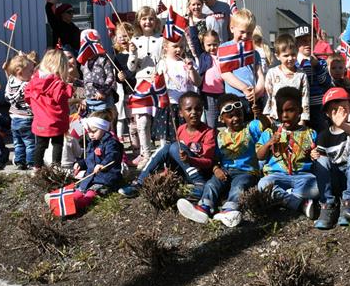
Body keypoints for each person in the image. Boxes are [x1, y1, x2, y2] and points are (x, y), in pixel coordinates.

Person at [176, 93, 266, 227]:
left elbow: (266, 125)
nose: (235, 118)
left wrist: (260, 115)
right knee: (211, 184)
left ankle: (230, 210)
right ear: (222, 119)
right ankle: (204, 208)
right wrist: (216, 169)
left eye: (238, 114)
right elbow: (214, 159)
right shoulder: (220, 136)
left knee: (238, 187)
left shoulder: (250, 128)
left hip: (246, 172)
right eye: (230, 116)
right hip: (225, 171)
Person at [120, 92, 215, 199]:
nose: (193, 112)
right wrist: (166, 172)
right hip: (183, 173)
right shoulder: (181, 129)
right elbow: (174, 157)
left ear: (202, 110)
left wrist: (190, 160)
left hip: (199, 173)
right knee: (166, 148)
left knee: (174, 147)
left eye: (198, 109)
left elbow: (209, 162)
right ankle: (139, 183)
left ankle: (200, 184)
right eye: (188, 109)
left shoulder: (208, 132)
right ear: (180, 113)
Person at [256, 87, 319, 219]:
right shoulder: (270, 132)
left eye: (290, 110)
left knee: (317, 188)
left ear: (300, 111)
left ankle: (284, 198)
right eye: (281, 111)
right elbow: (259, 155)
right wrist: (269, 144)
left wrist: (315, 154)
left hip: (303, 177)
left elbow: (317, 154)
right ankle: (299, 203)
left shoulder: (310, 133)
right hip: (276, 176)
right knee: (263, 185)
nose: (285, 115)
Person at [311, 88, 350, 229]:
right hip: (334, 177)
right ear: (328, 114)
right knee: (321, 161)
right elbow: (322, 158)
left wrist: (343, 125)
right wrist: (315, 155)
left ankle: (348, 203)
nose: (340, 114)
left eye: (344, 109)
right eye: (335, 110)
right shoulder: (323, 135)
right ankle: (327, 205)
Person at [25, 49, 73, 168]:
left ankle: (37, 168)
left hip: (40, 120)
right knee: (57, 144)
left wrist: (36, 105)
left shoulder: (34, 80)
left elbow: (27, 95)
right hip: (56, 121)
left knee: (40, 145)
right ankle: (56, 167)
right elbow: (61, 97)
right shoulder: (57, 83)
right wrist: (69, 87)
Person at [67, 112, 124, 211]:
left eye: (94, 131)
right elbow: (89, 159)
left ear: (104, 128)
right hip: (91, 176)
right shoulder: (92, 143)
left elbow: (112, 156)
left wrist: (103, 164)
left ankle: (80, 204)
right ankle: (70, 200)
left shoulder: (111, 143)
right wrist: (81, 164)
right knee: (80, 189)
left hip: (106, 178)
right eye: (89, 132)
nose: (91, 135)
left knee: (93, 192)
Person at [128, 6, 163, 165]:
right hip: (141, 84)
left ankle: (163, 154)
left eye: (151, 18)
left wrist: (161, 71)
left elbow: (163, 58)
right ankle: (146, 154)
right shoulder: (134, 41)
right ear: (139, 22)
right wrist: (133, 54)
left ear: (155, 21)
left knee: (161, 120)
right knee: (142, 122)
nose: (147, 21)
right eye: (144, 19)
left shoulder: (162, 39)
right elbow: (131, 67)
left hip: (157, 83)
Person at [151, 37, 201, 144]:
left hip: (185, 106)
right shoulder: (162, 63)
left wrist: (191, 70)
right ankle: (165, 155)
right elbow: (156, 84)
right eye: (175, 46)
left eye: (181, 46)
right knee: (166, 137)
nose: (179, 49)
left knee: (185, 135)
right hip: (169, 105)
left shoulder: (187, 63)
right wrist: (155, 78)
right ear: (165, 47)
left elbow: (197, 82)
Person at [219, 9, 265, 114]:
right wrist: (244, 88)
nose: (245, 36)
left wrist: (258, 90)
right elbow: (225, 73)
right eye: (242, 32)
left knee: (255, 127)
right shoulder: (225, 48)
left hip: (254, 97)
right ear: (232, 28)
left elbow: (260, 74)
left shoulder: (254, 52)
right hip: (235, 98)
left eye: (249, 33)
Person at [263, 34, 309, 124]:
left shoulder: (301, 75)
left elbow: (305, 98)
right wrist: (267, 115)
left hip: (295, 119)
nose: (290, 58)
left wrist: (303, 119)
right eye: (286, 55)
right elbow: (268, 96)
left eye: (293, 54)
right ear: (277, 56)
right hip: (276, 118)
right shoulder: (272, 73)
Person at [295, 25, 331, 132]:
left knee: (320, 138)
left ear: (315, 41)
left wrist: (317, 67)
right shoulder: (293, 63)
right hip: (299, 109)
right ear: (296, 43)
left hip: (318, 109)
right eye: (303, 41)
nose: (307, 44)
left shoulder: (321, 62)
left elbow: (326, 83)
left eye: (310, 40)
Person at [188, 23, 224, 129]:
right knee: (211, 123)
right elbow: (194, 40)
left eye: (215, 44)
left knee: (224, 120)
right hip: (209, 94)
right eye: (209, 45)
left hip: (222, 92)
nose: (212, 47)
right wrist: (191, 23)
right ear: (203, 46)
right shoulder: (203, 56)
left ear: (219, 43)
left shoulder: (222, 56)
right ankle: (211, 141)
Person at [4, 53, 36, 170]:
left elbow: (12, 72)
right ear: (19, 72)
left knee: (17, 142)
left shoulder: (11, 81)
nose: (32, 74)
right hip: (27, 118)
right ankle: (31, 162)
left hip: (14, 117)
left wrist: (22, 58)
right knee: (30, 143)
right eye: (30, 71)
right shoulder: (26, 85)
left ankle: (19, 161)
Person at [112, 22, 137, 156]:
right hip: (126, 92)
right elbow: (116, 75)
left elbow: (135, 68)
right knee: (131, 123)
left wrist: (126, 74)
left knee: (140, 122)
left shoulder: (136, 52)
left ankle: (143, 146)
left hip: (138, 89)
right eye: (119, 36)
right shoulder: (117, 57)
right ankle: (134, 148)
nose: (122, 39)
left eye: (125, 36)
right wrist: (119, 76)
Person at [79, 29, 115, 113]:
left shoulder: (103, 59)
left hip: (103, 99)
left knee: (104, 123)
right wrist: (73, 81)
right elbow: (85, 82)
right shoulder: (83, 63)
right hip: (89, 100)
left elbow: (110, 77)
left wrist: (102, 91)